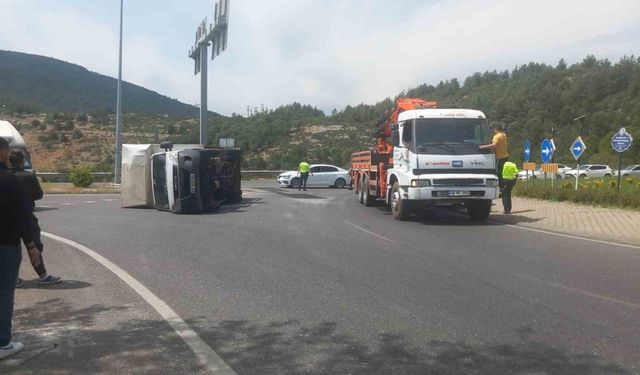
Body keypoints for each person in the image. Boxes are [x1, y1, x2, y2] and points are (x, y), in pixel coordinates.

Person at [0, 137, 34, 359]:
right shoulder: (9, 180)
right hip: (6, 245)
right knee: (4, 292)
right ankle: (3, 343)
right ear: (3, 154)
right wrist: (32, 245)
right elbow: (23, 217)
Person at [10, 151, 61, 286]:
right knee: (34, 246)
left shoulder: (5, 176)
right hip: (26, 216)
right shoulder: (28, 176)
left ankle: (13, 278)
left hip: (7, 219)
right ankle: (43, 275)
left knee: (10, 249)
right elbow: (38, 195)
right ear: (22, 161)